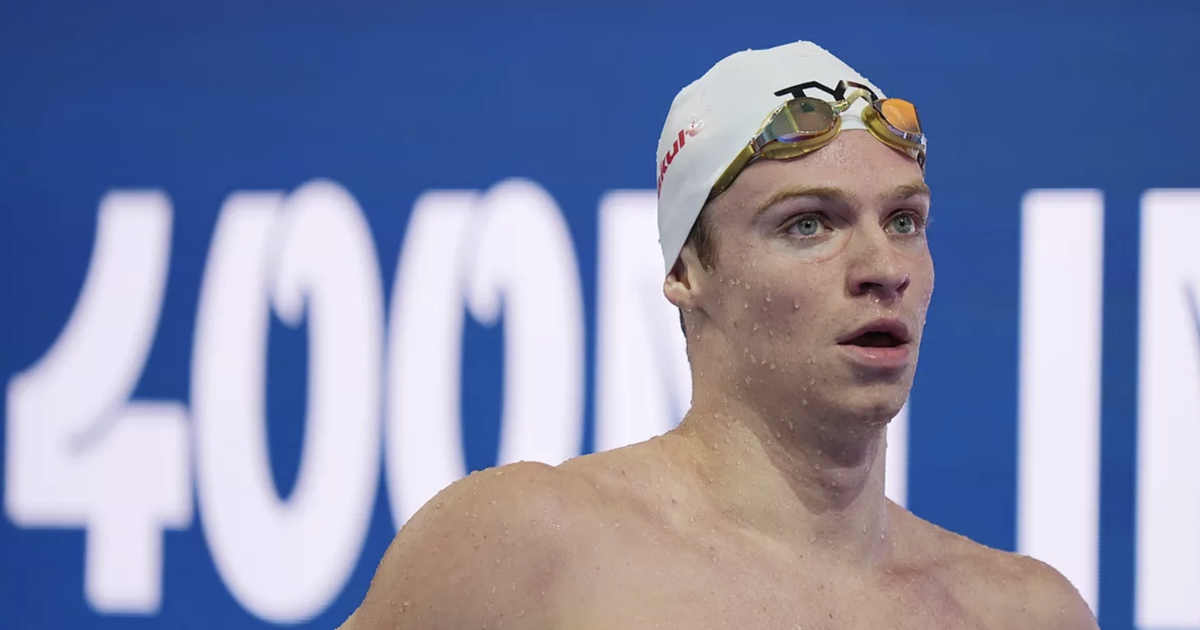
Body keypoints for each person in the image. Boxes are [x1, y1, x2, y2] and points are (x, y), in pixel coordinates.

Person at [338, 40, 1099, 629]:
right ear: (687, 273)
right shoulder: (530, 550)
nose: (882, 267)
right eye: (809, 224)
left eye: (904, 221)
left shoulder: (1023, 613)